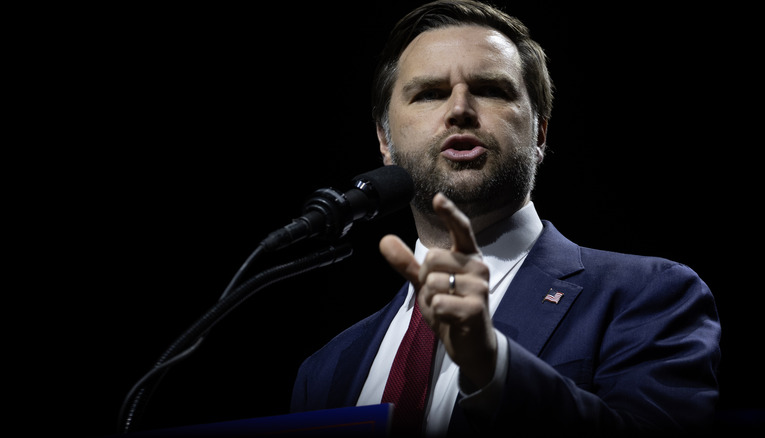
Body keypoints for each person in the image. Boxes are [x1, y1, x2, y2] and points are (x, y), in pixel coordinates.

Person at [290, 1, 720, 436]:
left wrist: (493, 368)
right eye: (430, 94)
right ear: (385, 139)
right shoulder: (325, 370)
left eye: (492, 89)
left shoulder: (648, 295)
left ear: (540, 133)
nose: (459, 109)